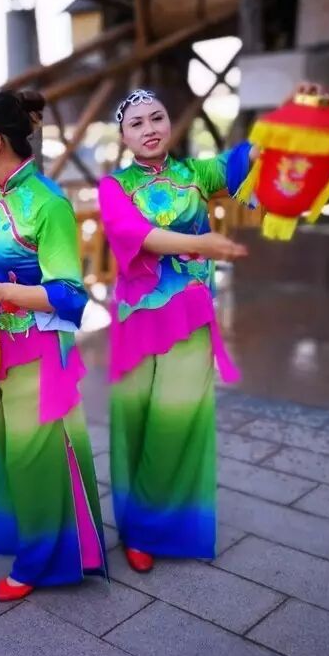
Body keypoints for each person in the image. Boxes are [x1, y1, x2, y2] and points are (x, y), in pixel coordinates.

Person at [97, 87, 255, 574]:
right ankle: (133, 524)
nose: (149, 129)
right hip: (137, 320)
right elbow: (136, 236)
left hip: (189, 318)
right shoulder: (113, 187)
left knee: (176, 422)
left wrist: (297, 118)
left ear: (170, 124)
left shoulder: (196, 174)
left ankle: (153, 530)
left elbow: (251, 159)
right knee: (135, 422)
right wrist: (202, 243)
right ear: (123, 137)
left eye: (157, 118)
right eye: (136, 123)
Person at [0, 91, 107, 603]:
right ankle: (32, 538)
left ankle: (40, 562)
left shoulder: (49, 204)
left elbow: (69, 295)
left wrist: (3, 293)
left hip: (37, 351)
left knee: (33, 461)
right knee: (11, 456)